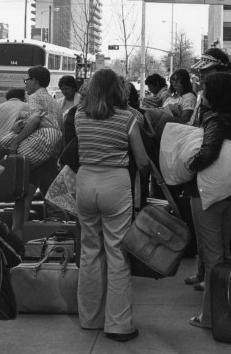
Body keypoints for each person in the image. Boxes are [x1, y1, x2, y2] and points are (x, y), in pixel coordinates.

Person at [75, 68, 149, 342]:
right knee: (118, 253)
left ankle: (90, 318)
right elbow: (141, 161)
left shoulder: (79, 116)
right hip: (115, 183)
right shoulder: (127, 118)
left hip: (85, 181)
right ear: (118, 89)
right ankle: (118, 324)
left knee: (90, 250)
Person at [184, 72, 231, 330]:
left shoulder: (215, 118)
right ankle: (229, 310)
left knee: (212, 257)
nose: (201, 92)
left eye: (205, 89)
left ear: (214, 94)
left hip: (209, 192)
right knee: (223, 251)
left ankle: (210, 317)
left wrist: (189, 164)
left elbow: (208, 151)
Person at [9, 66, 63, 235]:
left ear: (36, 81)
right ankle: (60, 234)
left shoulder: (34, 98)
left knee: (23, 197)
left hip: (35, 154)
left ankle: (17, 235)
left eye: (28, 80)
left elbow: (33, 121)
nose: (25, 84)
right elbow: (60, 128)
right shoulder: (54, 102)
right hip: (50, 154)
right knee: (54, 199)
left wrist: (15, 143)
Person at [0, 88, 28, 161]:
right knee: (18, 170)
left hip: (1, 147)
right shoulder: (26, 106)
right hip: (19, 147)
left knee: (3, 170)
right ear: (22, 97)